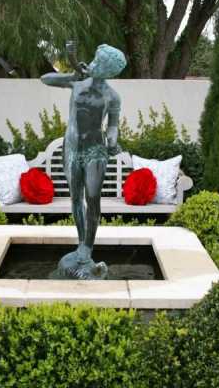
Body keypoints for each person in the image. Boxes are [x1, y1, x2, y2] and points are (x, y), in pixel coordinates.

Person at [41, 41, 127, 279]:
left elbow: (112, 126)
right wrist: (71, 75)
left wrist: (112, 140)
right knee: (76, 197)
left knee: (93, 197)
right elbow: (45, 79)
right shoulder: (77, 82)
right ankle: (81, 244)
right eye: (95, 59)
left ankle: (88, 247)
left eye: (99, 62)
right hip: (71, 148)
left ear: (109, 71)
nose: (93, 63)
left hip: (95, 151)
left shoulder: (112, 97)